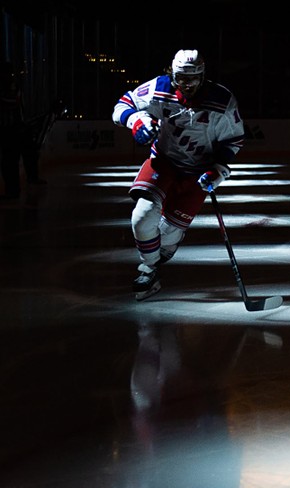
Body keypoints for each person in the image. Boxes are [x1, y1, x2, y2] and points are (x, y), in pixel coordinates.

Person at [112, 49, 245, 300]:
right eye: (182, 78)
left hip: (196, 174)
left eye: (193, 78)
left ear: (203, 77)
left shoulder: (222, 100)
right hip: (163, 162)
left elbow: (234, 140)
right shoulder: (158, 89)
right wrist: (136, 120)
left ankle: (158, 258)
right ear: (172, 74)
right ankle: (148, 269)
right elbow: (122, 106)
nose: (188, 84)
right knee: (142, 217)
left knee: (168, 241)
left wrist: (218, 169)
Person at [0, 61, 26, 200]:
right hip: (11, 129)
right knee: (8, 162)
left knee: (9, 162)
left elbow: (13, 102)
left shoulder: (11, 85)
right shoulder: (11, 85)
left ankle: (13, 191)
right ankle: (12, 190)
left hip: (13, 129)